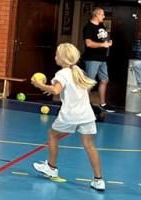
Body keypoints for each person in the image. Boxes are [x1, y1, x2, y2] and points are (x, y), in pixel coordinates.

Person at [31, 44, 106, 192]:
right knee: (89, 145)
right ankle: (99, 180)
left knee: (52, 135)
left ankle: (51, 167)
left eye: (57, 54)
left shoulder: (62, 73)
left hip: (70, 115)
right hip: (86, 114)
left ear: (63, 58)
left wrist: (39, 85)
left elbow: (55, 90)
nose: (55, 56)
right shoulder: (79, 72)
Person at [81, 7, 113, 111]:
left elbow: (102, 39)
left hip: (102, 58)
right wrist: (102, 45)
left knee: (104, 80)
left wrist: (107, 43)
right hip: (92, 58)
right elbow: (88, 43)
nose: (104, 16)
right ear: (96, 15)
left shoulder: (101, 25)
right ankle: (85, 104)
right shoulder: (88, 27)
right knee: (89, 82)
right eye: (102, 15)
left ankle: (103, 103)